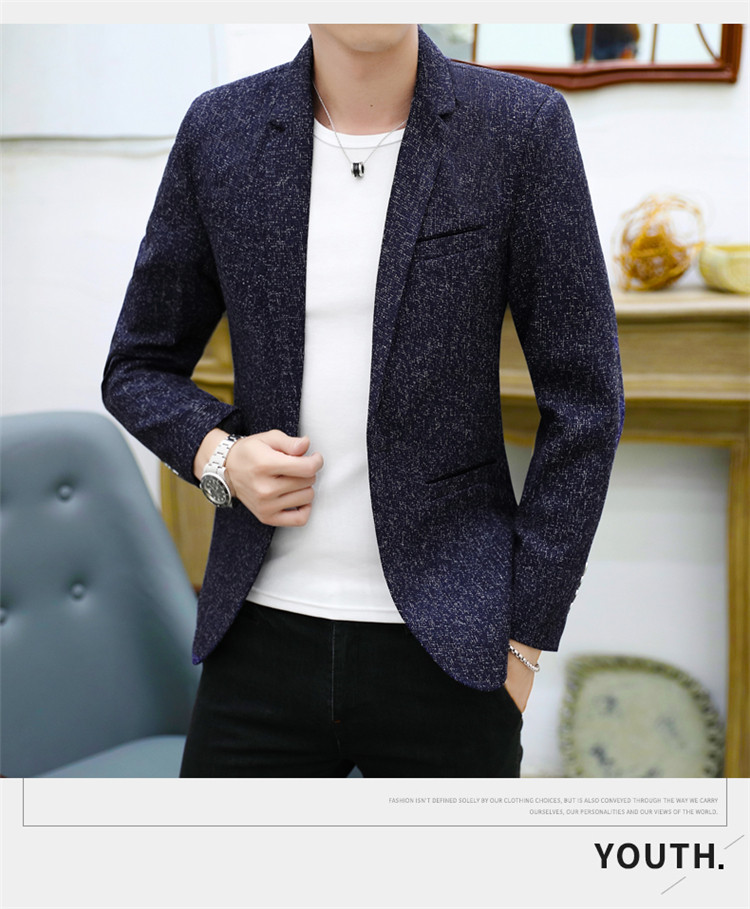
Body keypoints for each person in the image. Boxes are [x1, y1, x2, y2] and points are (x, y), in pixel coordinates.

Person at [102, 24, 624, 778]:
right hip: (255, 634)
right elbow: (138, 364)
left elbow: (587, 402)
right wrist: (221, 458)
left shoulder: (519, 127)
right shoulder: (220, 129)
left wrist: (526, 640)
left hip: (453, 644)